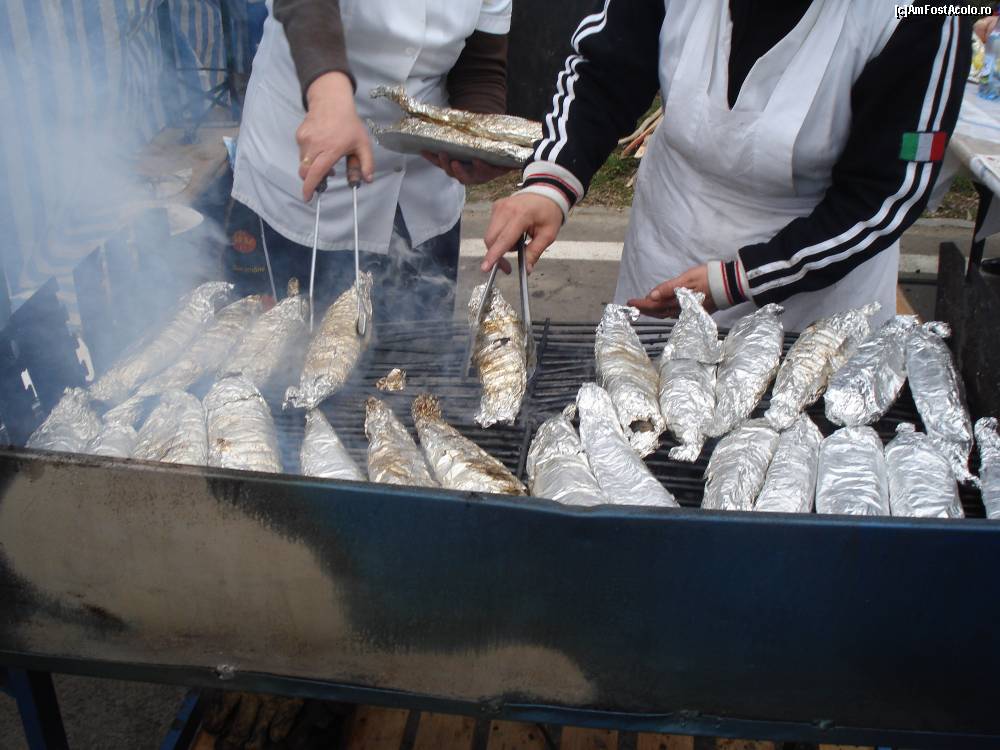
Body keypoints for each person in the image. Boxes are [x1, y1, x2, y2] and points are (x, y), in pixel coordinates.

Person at [480, 0, 970, 331]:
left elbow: (885, 192)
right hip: (666, 256)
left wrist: (739, 279)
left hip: (813, 299)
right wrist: (551, 182)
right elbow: (605, 72)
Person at [229, 0, 513, 320]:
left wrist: (477, 143)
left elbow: (480, 66)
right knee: (289, 339)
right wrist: (328, 99)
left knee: (419, 342)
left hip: (421, 184)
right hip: (311, 176)